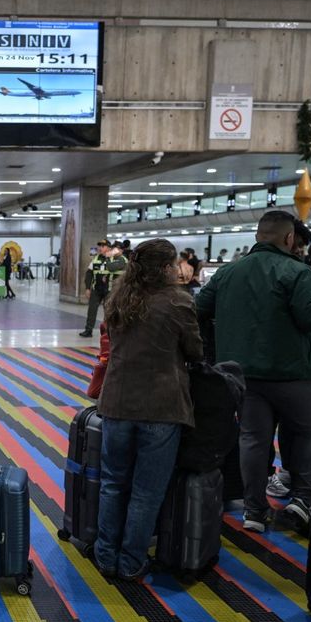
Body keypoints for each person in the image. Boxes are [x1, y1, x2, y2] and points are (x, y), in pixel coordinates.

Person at [197, 210, 311, 533]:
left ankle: (254, 510)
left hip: (242, 374)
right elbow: (310, 318)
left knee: (253, 440)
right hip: (292, 373)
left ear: (257, 236)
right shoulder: (297, 272)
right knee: (304, 433)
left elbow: (198, 309)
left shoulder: (227, 273)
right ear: (290, 239)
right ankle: (301, 500)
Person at [94, 239, 203, 581]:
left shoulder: (119, 299)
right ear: (166, 267)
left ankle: (105, 556)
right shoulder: (178, 301)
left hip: (116, 403)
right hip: (161, 407)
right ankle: (130, 563)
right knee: (146, 491)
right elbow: (195, 352)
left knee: (112, 483)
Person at [80, 240, 127, 337]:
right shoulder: (96, 258)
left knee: (109, 312)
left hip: (109, 290)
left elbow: (112, 268)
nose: (100, 248)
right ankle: (88, 330)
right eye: (99, 246)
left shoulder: (118, 259)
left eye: (103, 246)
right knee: (91, 310)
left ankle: (107, 332)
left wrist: (109, 257)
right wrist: (88, 288)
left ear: (109, 248)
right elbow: (89, 273)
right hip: (96, 288)